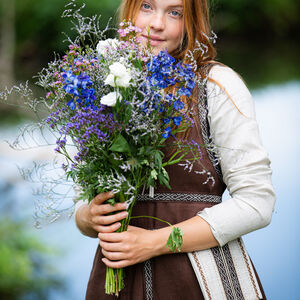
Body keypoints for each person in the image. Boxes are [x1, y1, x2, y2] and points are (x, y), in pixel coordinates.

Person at [75, 0, 276, 299]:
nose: (157, 23)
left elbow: (257, 203)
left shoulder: (216, 86)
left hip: (200, 280)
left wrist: (155, 242)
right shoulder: (104, 86)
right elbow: (82, 203)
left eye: (174, 13)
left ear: (193, 20)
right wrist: (89, 217)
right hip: (117, 282)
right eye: (146, 6)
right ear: (129, 9)